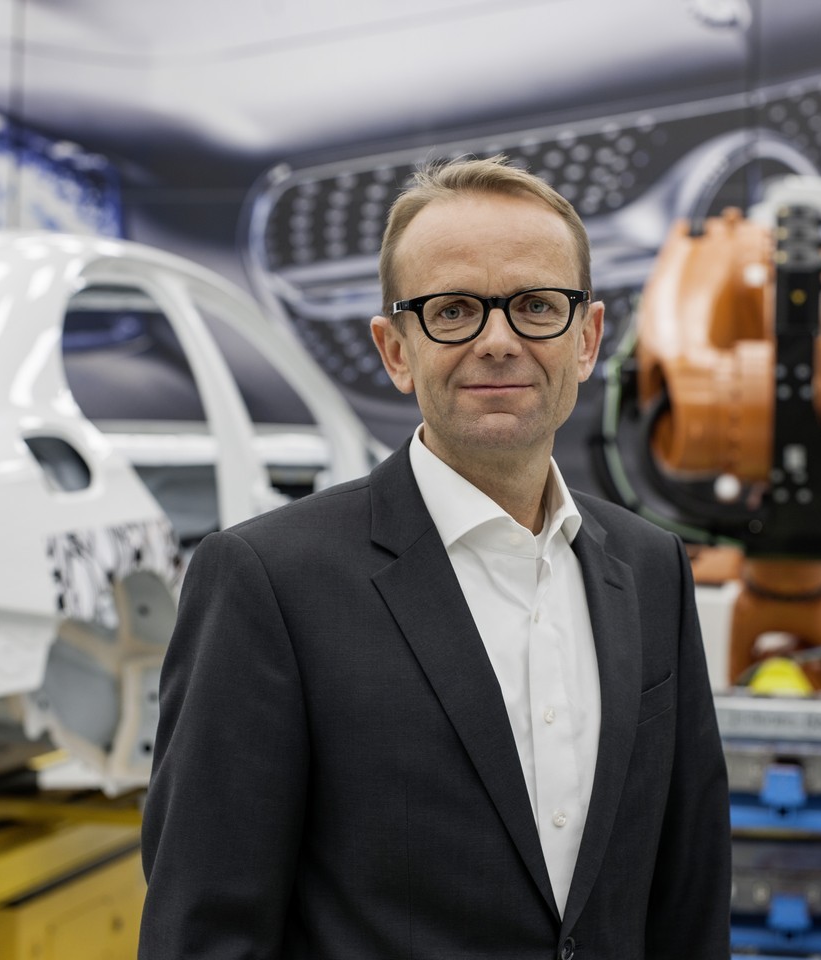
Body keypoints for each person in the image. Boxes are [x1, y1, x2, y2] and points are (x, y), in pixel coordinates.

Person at [140, 156, 730, 960]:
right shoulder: (269, 584)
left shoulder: (651, 569)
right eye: (453, 310)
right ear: (395, 349)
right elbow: (204, 932)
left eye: (534, 306)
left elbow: (688, 897)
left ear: (587, 338)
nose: (498, 341)